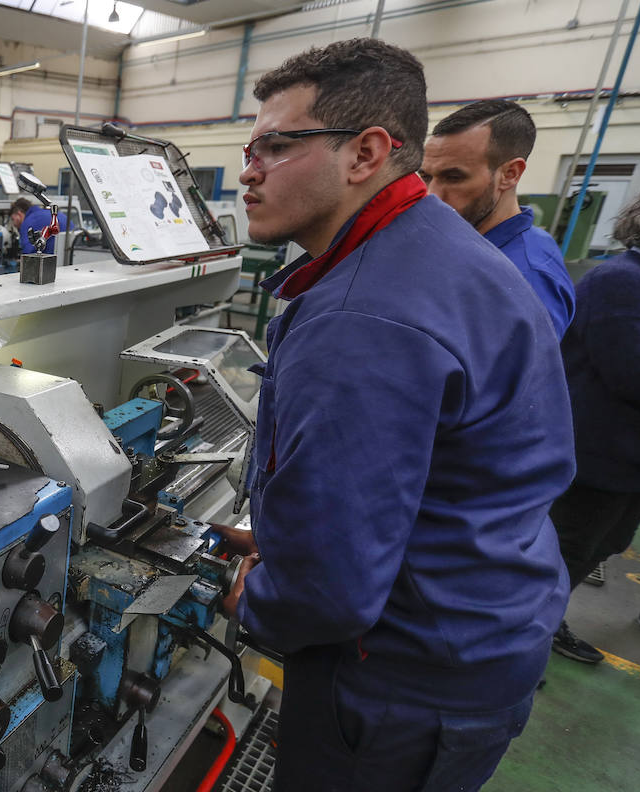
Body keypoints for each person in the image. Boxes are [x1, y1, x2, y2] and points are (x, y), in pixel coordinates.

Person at [218, 38, 573, 791]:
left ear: (366, 153)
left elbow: (330, 593)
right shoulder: (443, 248)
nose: (248, 169)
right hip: (485, 623)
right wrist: (287, 531)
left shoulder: (363, 316)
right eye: (250, 147)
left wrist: (258, 597)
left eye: (277, 145)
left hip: (402, 681)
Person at [547, 175, 640, 663]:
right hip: (601, 455)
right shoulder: (624, 280)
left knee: (606, 544)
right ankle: (518, 642)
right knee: (567, 550)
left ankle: (543, 624)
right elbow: (636, 373)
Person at [421, 100, 575, 336]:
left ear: (510, 174)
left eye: (453, 177)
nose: (432, 195)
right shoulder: (466, 243)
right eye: (426, 176)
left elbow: (521, 371)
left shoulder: (527, 278)